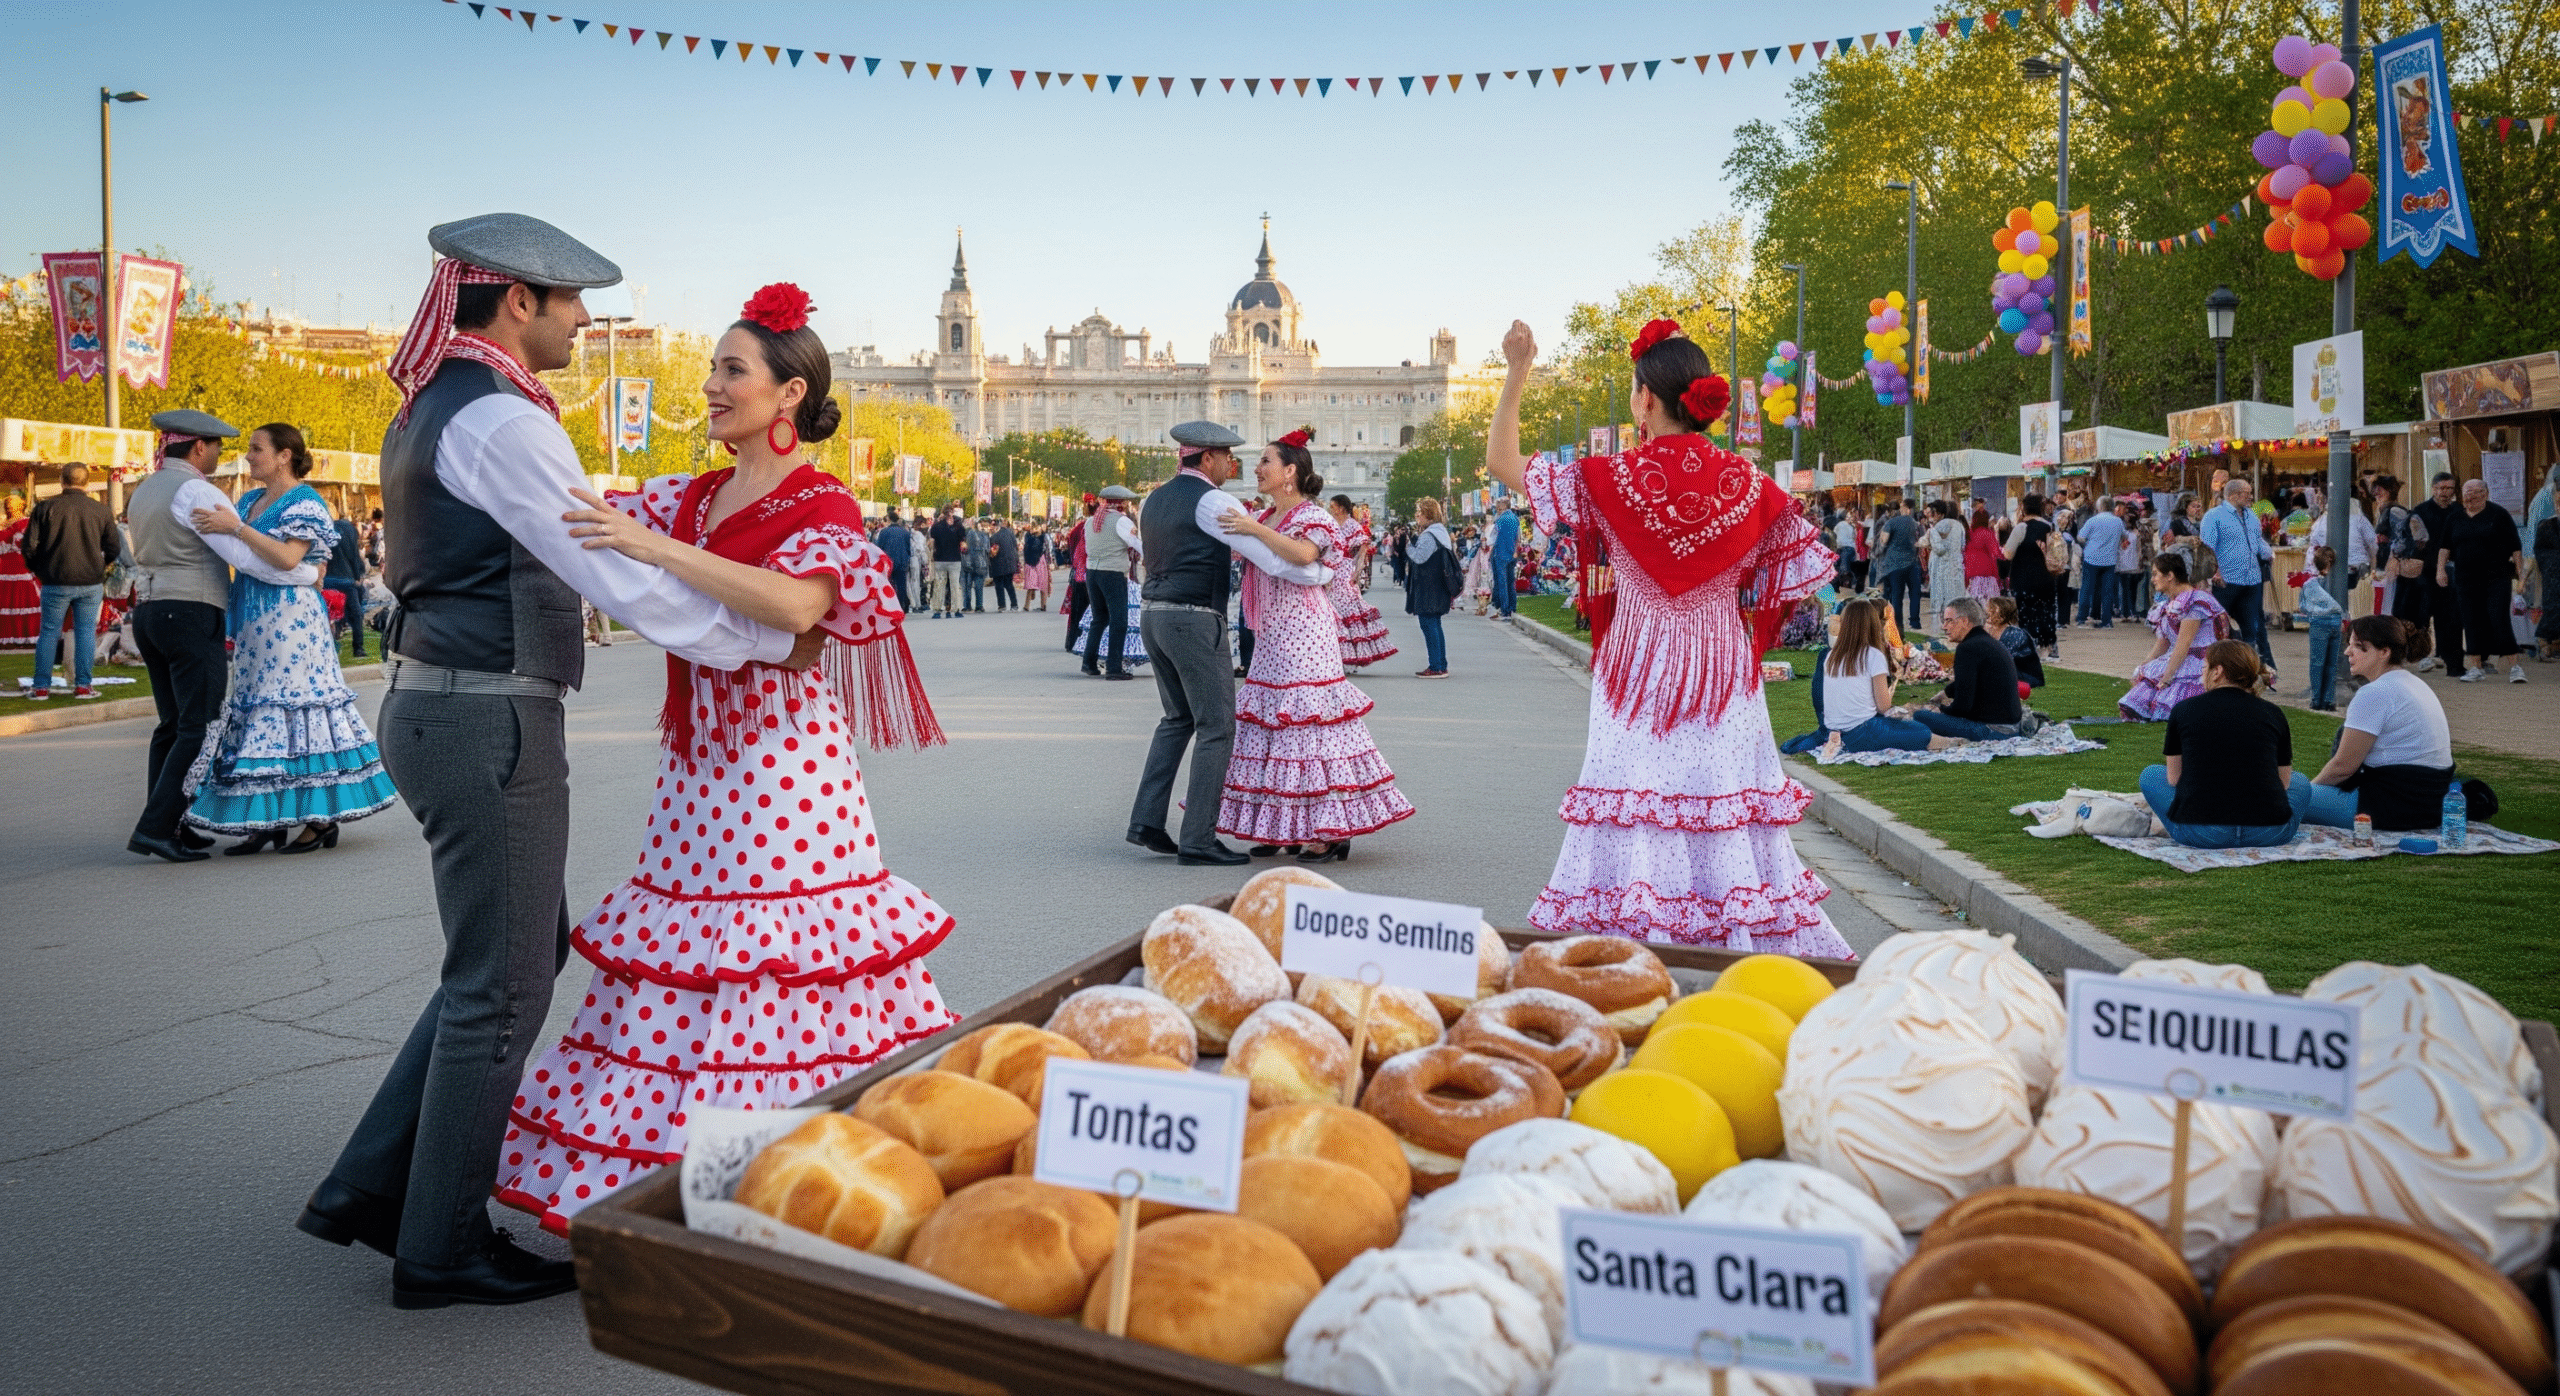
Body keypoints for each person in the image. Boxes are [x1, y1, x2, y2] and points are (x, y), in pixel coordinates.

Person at [300, 216, 819, 1311]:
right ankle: (439, 1244)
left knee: (508, 953)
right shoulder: (499, 418)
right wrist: (770, 639)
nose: (587, 319)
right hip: (484, 714)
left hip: (456, 704)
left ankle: (374, 1184)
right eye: (573, 300)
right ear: (518, 302)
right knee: (504, 985)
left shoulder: (454, 401)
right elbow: (612, 569)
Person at [497, 279, 954, 1237]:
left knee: (775, 963)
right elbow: (589, 516)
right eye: (712, 367)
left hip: (786, 771)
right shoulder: (694, 493)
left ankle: (808, 1177)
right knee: (701, 965)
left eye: (729, 370)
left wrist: (655, 551)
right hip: (702, 768)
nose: (708, 385)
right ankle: (693, 1169)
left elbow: (798, 610)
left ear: (788, 396)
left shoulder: (821, 495)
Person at [1487, 318, 1849, 956]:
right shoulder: (1750, 486)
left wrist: (1517, 373)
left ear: (1646, 399)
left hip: (1637, 670)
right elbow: (1784, 583)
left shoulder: (1605, 480)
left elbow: (1501, 463)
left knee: (1638, 804)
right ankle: (1741, 945)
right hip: (1721, 674)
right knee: (1721, 805)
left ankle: (1634, 954)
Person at [178, 423, 399, 855]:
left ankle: (319, 818)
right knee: (260, 711)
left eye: (257, 449)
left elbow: (287, 557)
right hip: (254, 620)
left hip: (291, 622)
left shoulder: (306, 501)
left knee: (293, 709)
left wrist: (236, 528)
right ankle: (267, 820)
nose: (248, 456)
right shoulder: (247, 500)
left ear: (284, 456)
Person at [122, 412, 323, 863]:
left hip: (151, 610)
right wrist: (307, 571)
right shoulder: (197, 490)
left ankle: (170, 821)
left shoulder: (146, 488)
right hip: (190, 611)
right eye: (217, 447)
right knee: (199, 726)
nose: (224, 456)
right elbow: (246, 558)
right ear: (198, 448)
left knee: (171, 725)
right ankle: (157, 826)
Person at [1126, 420, 1327, 865]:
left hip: (1154, 615)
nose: (1235, 466)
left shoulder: (1155, 498)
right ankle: (1198, 838)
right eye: (1230, 458)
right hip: (1194, 619)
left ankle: (1146, 821)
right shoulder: (1212, 500)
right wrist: (1321, 573)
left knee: (1176, 719)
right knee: (1217, 727)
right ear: (1209, 458)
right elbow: (1271, 560)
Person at [1213, 433, 1413, 862]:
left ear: (1290, 472)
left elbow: (1305, 556)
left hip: (1304, 630)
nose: (1257, 467)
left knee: (1308, 722)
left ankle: (1328, 829)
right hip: (1270, 630)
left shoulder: (1312, 516)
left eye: (1265, 460)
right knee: (1271, 721)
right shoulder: (1268, 515)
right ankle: (1277, 824)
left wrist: (1251, 528)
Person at [2138, 640, 2314, 849]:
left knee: (2151, 775)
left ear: (2217, 671)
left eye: (2204, 668)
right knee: (2300, 781)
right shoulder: (2273, 713)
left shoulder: (2184, 710)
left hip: (2205, 833)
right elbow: (2284, 782)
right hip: (2268, 832)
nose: (2201, 675)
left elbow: (2174, 778)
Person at [2302, 616, 2461, 831]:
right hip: (2428, 805)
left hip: (2385, 807)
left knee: (2286, 790)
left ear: (2384, 652)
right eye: (2349, 644)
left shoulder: (2375, 693)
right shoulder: (2415, 684)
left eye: (2359, 646)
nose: (2348, 651)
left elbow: (2342, 767)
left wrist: (2303, 795)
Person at [22, 461, 122, 699]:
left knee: (48, 632)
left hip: (55, 579)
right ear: (86, 483)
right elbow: (114, 548)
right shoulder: (101, 510)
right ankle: (83, 685)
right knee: (86, 632)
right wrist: (101, 564)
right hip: (90, 580)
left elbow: (29, 547)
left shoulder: (45, 508)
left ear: (61, 481)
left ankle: (41, 687)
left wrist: (40, 570)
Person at [1813, 598, 1953, 753]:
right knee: (1920, 730)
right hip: (1862, 732)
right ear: (1872, 624)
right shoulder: (1873, 655)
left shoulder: (1832, 656)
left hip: (1834, 732)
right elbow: (1884, 706)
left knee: (1907, 726)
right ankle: (1946, 742)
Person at [2117, 553, 2229, 721]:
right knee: (2136, 704)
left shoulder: (2194, 601)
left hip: (2202, 662)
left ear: (2170, 576)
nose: (2153, 579)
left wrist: (2167, 677)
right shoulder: (2170, 603)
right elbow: (2163, 643)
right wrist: (2142, 668)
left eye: (2156, 574)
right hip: (2181, 658)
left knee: (2174, 709)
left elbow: (2184, 644)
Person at [2438, 477, 2526, 684]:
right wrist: (2440, 570)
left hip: (2496, 578)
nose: (2471, 496)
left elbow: (2515, 547)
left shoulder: (2499, 515)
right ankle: (2476, 667)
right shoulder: (2454, 517)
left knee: (2499, 619)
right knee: (2470, 621)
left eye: (2476, 492)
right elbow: (2445, 547)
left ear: (2485, 494)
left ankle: (2514, 666)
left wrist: (2521, 575)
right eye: (2467, 492)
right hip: (2465, 579)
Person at [1912, 596, 2035, 742]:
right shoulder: (1988, 643)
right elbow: (1972, 680)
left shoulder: (1967, 648)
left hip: (1991, 731)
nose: (1944, 626)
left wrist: (1941, 710)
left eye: (1948, 621)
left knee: (1919, 716)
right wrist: (1945, 692)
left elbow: (1963, 707)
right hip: (2011, 727)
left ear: (1964, 621)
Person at [2200, 478, 2277, 679]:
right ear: (2234, 495)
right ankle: (2214, 668)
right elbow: (2206, 547)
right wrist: (2213, 572)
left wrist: (2268, 552)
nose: (2251, 497)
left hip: (2251, 580)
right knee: (2217, 626)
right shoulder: (2214, 516)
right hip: (2225, 581)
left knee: (2253, 626)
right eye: (2247, 493)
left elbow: (2257, 541)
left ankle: (2251, 671)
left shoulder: (2251, 516)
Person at [1326, 493, 1396, 668]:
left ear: (1341, 508)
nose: (1330, 509)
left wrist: (1356, 572)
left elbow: (1362, 551)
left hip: (1344, 570)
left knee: (1347, 610)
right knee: (1332, 610)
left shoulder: (1352, 525)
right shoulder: (1331, 524)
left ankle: (1350, 655)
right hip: (1330, 569)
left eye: (1333, 506)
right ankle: (1336, 655)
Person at [1082, 485, 1142, 678]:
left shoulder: (1090, 521)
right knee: (1119, 620)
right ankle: (1114, 666)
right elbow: (1136, 543)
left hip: (1092, 572)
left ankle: (1089, 662)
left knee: (1099, 618)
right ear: (1121, 503)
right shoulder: (1121, 521)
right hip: (1113, 573)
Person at [2410, 472, 2463, 672]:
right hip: (2425, 569)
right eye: (2441, 488)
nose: (2444, 492)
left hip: (2452, 570)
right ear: (2433, 489)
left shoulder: (2459, 510)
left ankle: (2443, 653)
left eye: (2449, 488)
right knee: (2423, 613)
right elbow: (2414, 540)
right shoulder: (2421, 511)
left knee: (2449, 614)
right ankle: (2423, 654)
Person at [1402, 495, 1458, 677]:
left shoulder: (1429, 535)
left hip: (1429, 587)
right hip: (1438, 585)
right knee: (1435, 624)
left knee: (1429, 625)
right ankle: (1440, 664)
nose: (1417, 516)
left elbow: (1419, 557)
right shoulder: (1440, 532)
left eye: (1419, 512)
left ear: (1427, 514)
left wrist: (1408, 546)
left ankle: (1435, 666)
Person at [2002, 494, 2063, 657]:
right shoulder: (2049, 526)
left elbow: (2007, 554)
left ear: (2024, 507)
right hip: (2046, 579)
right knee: (2046, 613)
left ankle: (2028, 648)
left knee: (2026, 614)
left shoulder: (2021, 527)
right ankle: (2050, 648)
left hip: (2024, 579)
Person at [2299, 544, 2347, 710]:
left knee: (2317, 662)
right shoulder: (2338, 582)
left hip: (2319, 622)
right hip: (2335, 621)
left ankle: (2316, 698)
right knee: (2332, 663)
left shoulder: (2310, 583)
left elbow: (2302, 606)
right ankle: (2329, 700)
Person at [2073, 496, 2128, 627]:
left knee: (2086, 588)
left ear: (2100, 507)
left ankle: (2082, 618)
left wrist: (2090, 542)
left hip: (2091, 558)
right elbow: (2124, 536)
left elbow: (2081, 537)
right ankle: (2106, 621)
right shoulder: (2118, 522)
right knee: (2107, 591)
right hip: (2109, 560)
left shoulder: (2092, 520)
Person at [326, 504, 372, 658]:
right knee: (356, 613)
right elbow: (354, 554)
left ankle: (332, 645)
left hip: (327, 580)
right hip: (346, 579)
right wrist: (358, 575)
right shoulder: (348, 529)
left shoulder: (321, 529)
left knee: (329, 615)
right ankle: (358, 648)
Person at [1874, 499, 1921, 632]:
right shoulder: (1916, 524)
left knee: (1897, 596)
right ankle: (1915, 622)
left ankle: (1898, 624)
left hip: (1894, 564)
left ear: (1905, 508)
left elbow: (1883, 540)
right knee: (1915, 594)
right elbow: (1920, 541)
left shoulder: (1891, 522)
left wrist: (1879, 551)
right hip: (1912, 563)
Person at [1924, 501, 1966, 636]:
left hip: (1941, 567)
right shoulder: (1960, 526)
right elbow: (1962, 545)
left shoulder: (1941, 525)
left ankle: (1941, 630)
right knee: (1954, 600)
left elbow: (1937, 547)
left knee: (1940, 601)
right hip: (1956, 567)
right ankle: (1956, 629)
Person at [1984, 594, 2044, 689]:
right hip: (2009, 674)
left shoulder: (2015, 634)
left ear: (2001, 615)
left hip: (2026, 678)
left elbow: (2001, 662)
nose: (1986, 612)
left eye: (1991, 610)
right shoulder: (1990, 630)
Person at [0, 493, 36, 647]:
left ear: (21, 505)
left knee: (21, 601)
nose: (9, 505)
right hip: (3, 569)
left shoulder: (26, 523)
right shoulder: (3, 523)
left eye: (12, 502)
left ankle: (24, 637)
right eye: (7, 502)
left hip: (21, 568)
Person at [1063, 494, 1094, 649]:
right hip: (1091, 573)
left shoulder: (1080, 527)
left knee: (1078, 611)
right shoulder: (1091, 527)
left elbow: (1072, 545)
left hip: (1080, 573)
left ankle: (1073, 641)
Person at [928, 503, 966, 617]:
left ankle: (937, 610)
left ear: (942, 513)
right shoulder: (959, 527)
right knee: (955, 585)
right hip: (955, 559)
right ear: (952, 512)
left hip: (940, 559)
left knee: (939, 585)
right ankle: (957, 609)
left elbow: (931, 543)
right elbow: (963, 544)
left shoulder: (936, 526)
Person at [874, 507, 914, 614]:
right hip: (902, 561)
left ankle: (890, 605)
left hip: (888, 562)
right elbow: (909, 548)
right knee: (901, 584)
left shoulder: (884, 532)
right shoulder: (905, 532)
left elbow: (879, 548)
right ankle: (902, 606)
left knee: (889, 584)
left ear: (889, 519)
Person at [1489, 497, 1521, 617]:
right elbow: (1518, 538)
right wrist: (1515, 551)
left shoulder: (1500, 519)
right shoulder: (1515, 519)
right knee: (1510, 581)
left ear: (1503, 506)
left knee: (1502, 582)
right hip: (1512, 553)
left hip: (1500, 553)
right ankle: (1513, 606)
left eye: (1498, 505)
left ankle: (1505, 608)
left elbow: (1492, 537)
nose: (1497, 507)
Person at [1962, 504, 2002, 601]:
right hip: (1986, 574)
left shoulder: (1969, 534)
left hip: (1971, 575)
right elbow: (1996, 552)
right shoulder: (1987, 533)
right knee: (1989, 607)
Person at [989, 516, 1019, 611]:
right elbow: (1015, 546)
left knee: (999, 585)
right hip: (1010, 562)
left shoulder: (994, 537)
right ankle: (1014, 604)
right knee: (1009, 584)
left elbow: (991, 552)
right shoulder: (1010, 533)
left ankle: (1002, 605)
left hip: (998, 564)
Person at [960, 516, 988, 613]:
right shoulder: (984, 535)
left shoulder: (966, 534)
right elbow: (987, 549)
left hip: (967, 562)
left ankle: (967, 605)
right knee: (978, 585)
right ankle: (979, 606)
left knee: (967, 585)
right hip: (980, 562)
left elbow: (962, 547)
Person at [1020, 520, 1050, 611]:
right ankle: (1030, 605)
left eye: (1035, 527)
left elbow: (1047, 550)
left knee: (1040, 584)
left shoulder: (1042, 537)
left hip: (1037, 561)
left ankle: (1040, 605)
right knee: (1034, 584)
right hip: (1035, 561)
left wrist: (1050, 563)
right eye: (1032, 527)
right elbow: (1047, 550)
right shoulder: (1029, 536)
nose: (1033, 529)